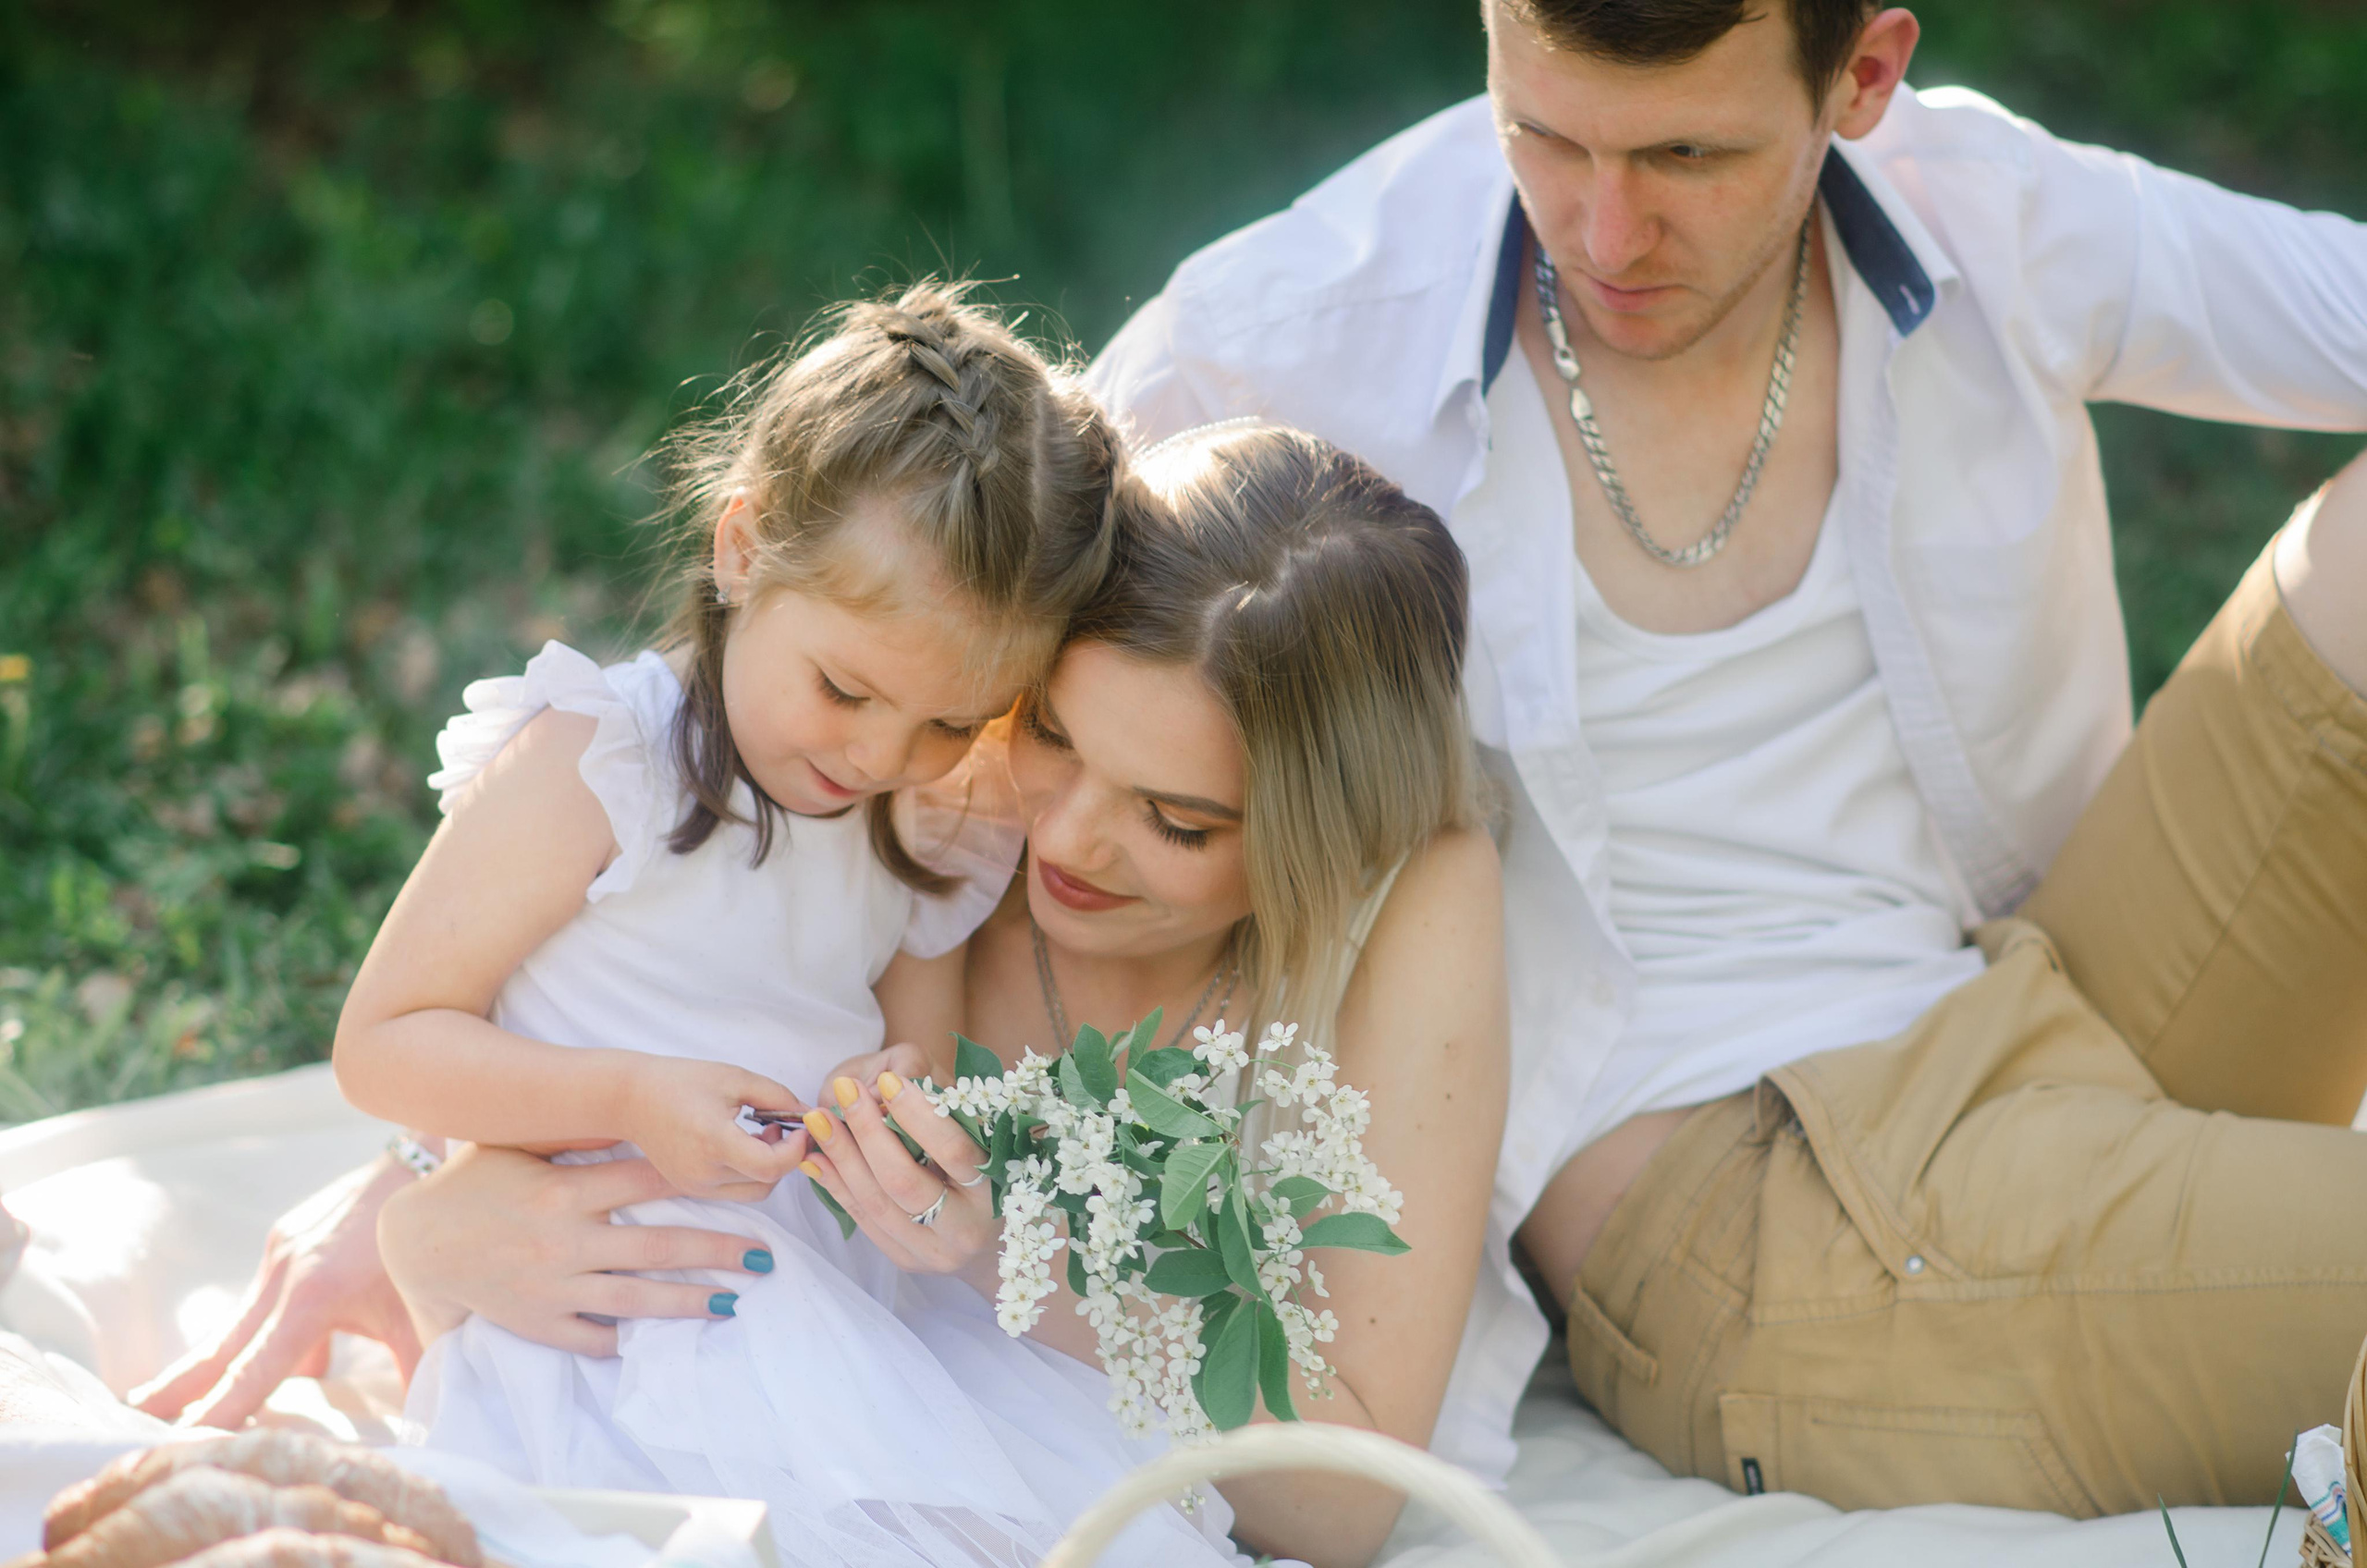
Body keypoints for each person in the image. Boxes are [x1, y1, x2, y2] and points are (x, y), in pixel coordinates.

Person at [1085, 0, 2367, 1520]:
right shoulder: (1306, 323)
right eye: (1545, 136)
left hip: (2054, 979)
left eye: (1688, 152)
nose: (1603, 227)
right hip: (1739, 1197)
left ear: (1865, 78)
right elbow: (921, 587)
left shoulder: (1983, 204)